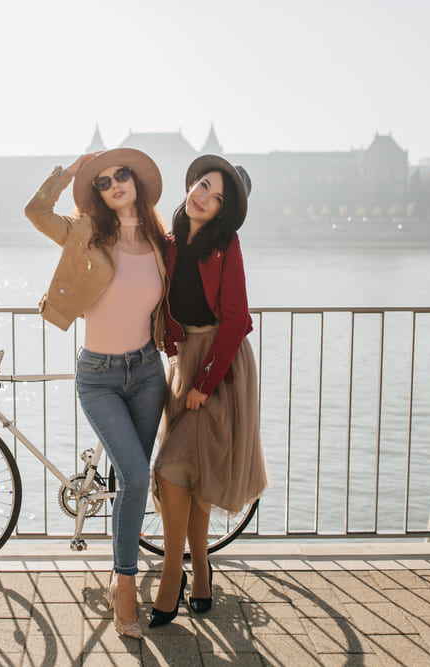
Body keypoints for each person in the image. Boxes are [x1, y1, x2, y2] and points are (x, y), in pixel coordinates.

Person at [24, 148, 169, 639]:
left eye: (121, 175)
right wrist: (66, 174)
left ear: (136, 182)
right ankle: (123, 583)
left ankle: (122, 569)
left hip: (149, 371)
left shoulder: (159, 241)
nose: (114, 185)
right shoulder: (85, 232)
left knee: (134, 480)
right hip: (100, 376)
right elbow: (35, 213)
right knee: (132, 474)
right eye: (103, 182)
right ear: (98, 195)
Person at [148, 155, 269, 627]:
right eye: (202, 185)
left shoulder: (227, 246)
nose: (203, 197)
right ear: (191, 184)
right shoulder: (172, 243)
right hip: (185, 364)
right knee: (190, 477)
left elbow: (237, 320)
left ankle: (169, 579)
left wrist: (202, 384)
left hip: (221, 370)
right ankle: (200, 572)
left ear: (224, 212)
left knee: (172, 468)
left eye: (216, 197)